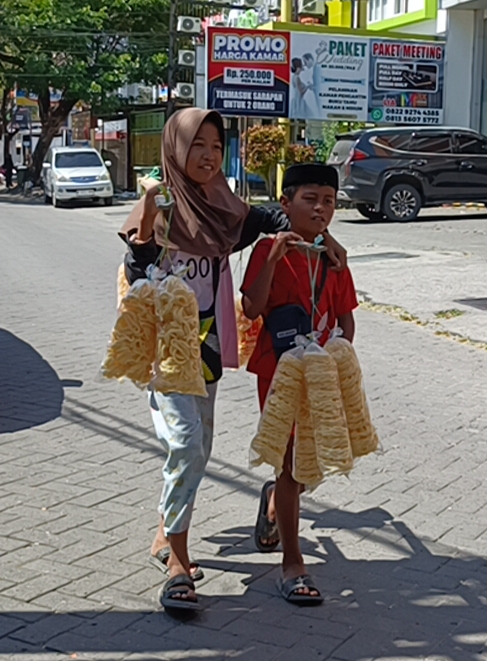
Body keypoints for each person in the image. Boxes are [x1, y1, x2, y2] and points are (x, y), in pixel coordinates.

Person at [117, 109, 348, 613]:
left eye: (216, 147)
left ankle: (164, 533)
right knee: (186, 443)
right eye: (197, 145)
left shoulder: (226, 209)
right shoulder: (160, 210)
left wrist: (325, 241)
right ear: (176, 148)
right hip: (167, 347)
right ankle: (177, 563)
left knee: (196, 450)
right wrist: (150, 210)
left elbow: (281, 218)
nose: (207, 156)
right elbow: (135, 270)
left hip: (209, 348)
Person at [240, 163, 357, 606]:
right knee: (290, 462)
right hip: (279, 370)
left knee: (312, 463)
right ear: (286, 203)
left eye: (329, 201)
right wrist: (271, 258)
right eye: (310, 199)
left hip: (322, 372)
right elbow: (252, 308)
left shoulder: (334, 257)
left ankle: (275, 501)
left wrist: (339, 361)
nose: (321, 208)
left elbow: (346, 320)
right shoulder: (268, 248)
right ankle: (293, 563)